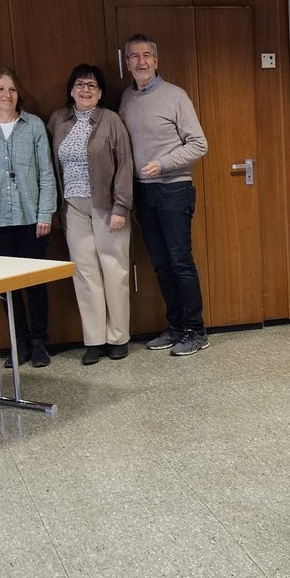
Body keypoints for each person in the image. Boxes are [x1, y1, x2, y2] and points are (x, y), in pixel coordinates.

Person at [118, 34, 209, 357]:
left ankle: (195, 330)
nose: (141, 62)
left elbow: (199, 144)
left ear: (156, 61)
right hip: (144, 194)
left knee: (181, 262)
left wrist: (163, 164)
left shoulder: (175, 96)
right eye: (134, 56)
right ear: (126, 63)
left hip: (174, 190)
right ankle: (174, 327)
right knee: (160, 264)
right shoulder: (126, 99)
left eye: (146, 56)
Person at [0, 67, 56, 368]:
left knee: (36, 283)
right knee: (8, 285)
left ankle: (40, 342)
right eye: (1, 89)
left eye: (13, 89)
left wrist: (46, 212)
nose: (7, 95)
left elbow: (46, 172)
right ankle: (20, 343)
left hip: (32, 217)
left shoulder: (34, 126)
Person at [47, 64, 135, 365]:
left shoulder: (111, 120)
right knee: (85, 274)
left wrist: (121, 206)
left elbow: (125, 165)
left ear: (100, 93)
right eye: (80, 85)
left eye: (92, 86)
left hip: (108, 207)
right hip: (73, 207)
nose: (86, 90)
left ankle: (118, 337)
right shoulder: (59, 119)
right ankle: (95, 340)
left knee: (115, 271)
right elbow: (50, 164)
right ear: (71, 90)